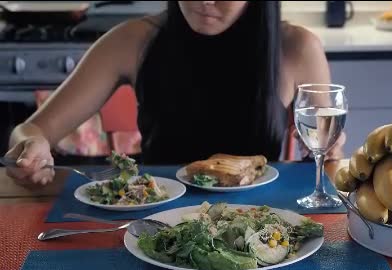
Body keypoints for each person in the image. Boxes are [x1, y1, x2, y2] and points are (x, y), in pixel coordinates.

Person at [5, 1, 346, 188]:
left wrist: (328, 151)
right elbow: (30, 130)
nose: (204, 2)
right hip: (154, 222)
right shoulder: (132, 40)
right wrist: (30, 147)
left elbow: (327, 157)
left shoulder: (297, 49)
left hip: (258, 227)